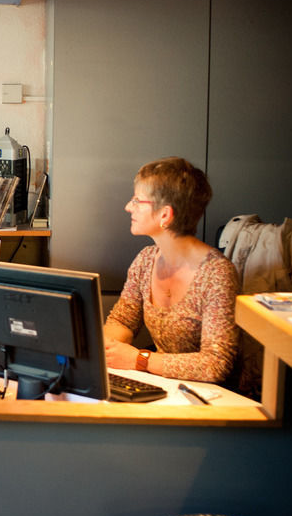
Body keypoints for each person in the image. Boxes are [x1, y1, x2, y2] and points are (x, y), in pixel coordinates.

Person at [103, 157, 241, 384]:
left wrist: (140, 359)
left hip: (214, 399)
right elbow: (123, 321)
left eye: (137, 201)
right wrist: (103, 348)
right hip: (167, 384)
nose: (129, 207)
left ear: (165, 215)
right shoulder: (145, 260)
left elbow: (216, 365)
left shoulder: (217, 274)